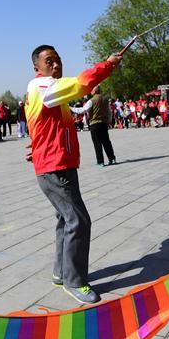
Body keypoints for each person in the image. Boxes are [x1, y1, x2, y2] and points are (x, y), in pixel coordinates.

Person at [25, 44, 121, 305]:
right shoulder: (45, 87)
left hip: (57, 164)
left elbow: (43, 127)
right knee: (79, 221)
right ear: (38, 68)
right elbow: (82, 83)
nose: (56, 65)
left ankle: (61, 272)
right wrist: (109, 63)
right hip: (55, 168)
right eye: (49, 61)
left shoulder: (45, 91)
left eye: (58, 60)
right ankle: (74, 281)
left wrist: (36, 146)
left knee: (65, 220)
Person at [72, 86, 117, 167]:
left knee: (97, 143)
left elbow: (83, 110)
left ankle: (100, 161)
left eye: (92, 89)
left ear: (95, 91)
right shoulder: (105, 99)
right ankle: (112, 159)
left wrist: (70, 108)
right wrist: (109, 121)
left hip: (95, 124)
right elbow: (109, 111)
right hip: (104, 123)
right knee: (106, 142)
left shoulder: (91, 100)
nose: (91, 90)